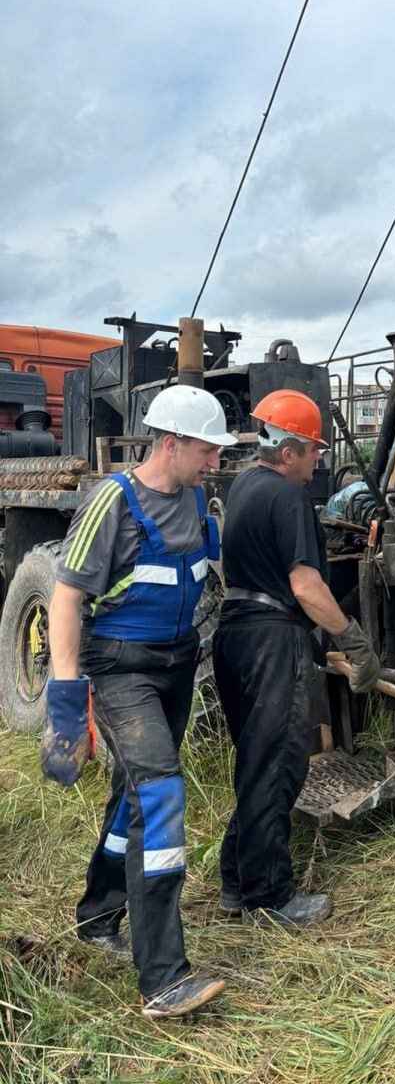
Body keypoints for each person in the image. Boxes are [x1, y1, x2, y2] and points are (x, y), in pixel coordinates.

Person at [43, 384, 236, 1017]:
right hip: (122, 669)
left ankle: (98, 915)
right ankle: (162, 977)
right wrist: (68, 702)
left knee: (134, 793)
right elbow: (67, 598)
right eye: (207, 450)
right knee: (159, 794)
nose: (214, 463)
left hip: (177, 664)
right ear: (173, 442)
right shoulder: (114, 502)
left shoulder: (197, 501)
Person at [213, 389, 381, 926]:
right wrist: (352, 637)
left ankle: (238, 885)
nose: (318, 462)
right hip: (270, 641)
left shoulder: (243, 486)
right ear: (288, 452)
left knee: (255, 764)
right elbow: (306, 587)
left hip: (237, 632)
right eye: (314, 452)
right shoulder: (287, 497)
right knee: (279, 769)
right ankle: (271, 899)